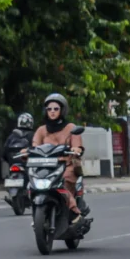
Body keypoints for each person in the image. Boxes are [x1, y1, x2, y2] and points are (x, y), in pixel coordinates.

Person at [31, 94, 86, 222]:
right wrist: (27, 152)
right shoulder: (41, 130)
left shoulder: (71, 128)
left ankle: (74, 212)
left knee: (63, 184)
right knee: (32, 185)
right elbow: (35, 146)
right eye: (49, 109)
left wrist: (76, 149)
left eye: (56, 109)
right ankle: (38, 212)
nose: (52, 112)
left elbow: (78, 145)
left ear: (62, 110)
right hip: (46, 166)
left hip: (66, 165)